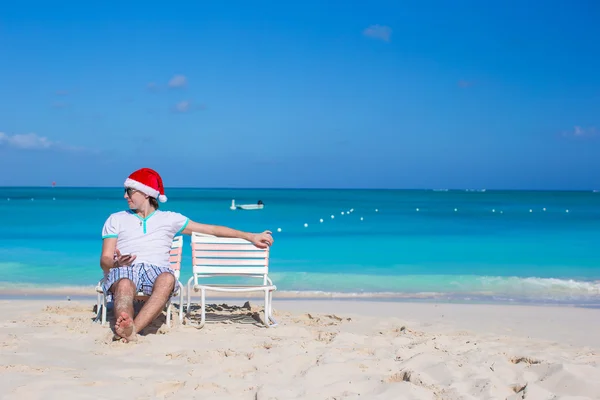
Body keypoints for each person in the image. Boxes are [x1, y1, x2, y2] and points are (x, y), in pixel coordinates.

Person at [100, 168, 273, 342]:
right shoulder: (116, 219)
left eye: (129, 191)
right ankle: (126, 321)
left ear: (146, 193)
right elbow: (105, 259)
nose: (125, 196)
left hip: (156, 270)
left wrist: (250, 236)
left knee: (168, 279)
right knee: (124, 283)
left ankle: (132, 329)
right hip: (124, 269)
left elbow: (211, 230)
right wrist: (116, 264)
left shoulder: (170, 219)